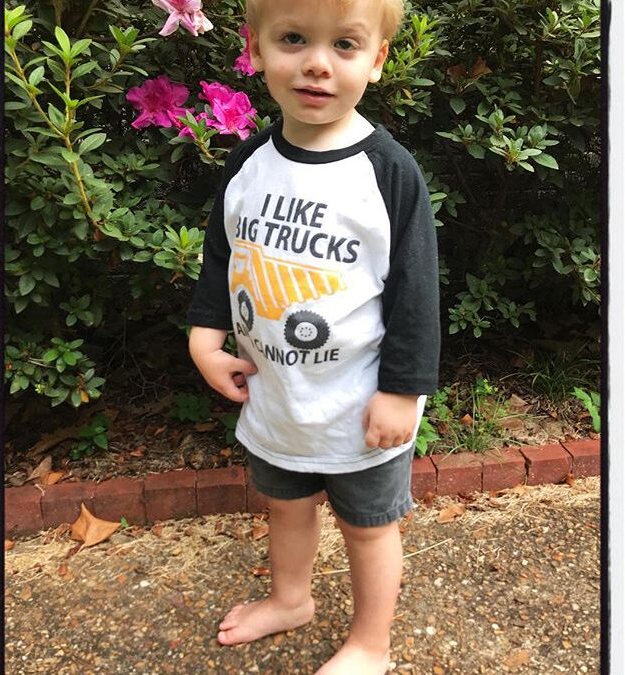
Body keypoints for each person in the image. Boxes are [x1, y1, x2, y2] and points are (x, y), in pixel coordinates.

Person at [187, 0, 440, 672]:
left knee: (367, 527)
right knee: (285, 506)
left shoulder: (388, 174)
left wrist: (402, 391)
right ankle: (290, 597)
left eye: (346, 45)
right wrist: (206, 333)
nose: (317, 64)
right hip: (277, 396)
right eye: (294, 38)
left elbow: (417, 296)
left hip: (361, 409)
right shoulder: (250, 164)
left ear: (378, 60)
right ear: (256, 48)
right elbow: (224, 255)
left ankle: (370, 643)